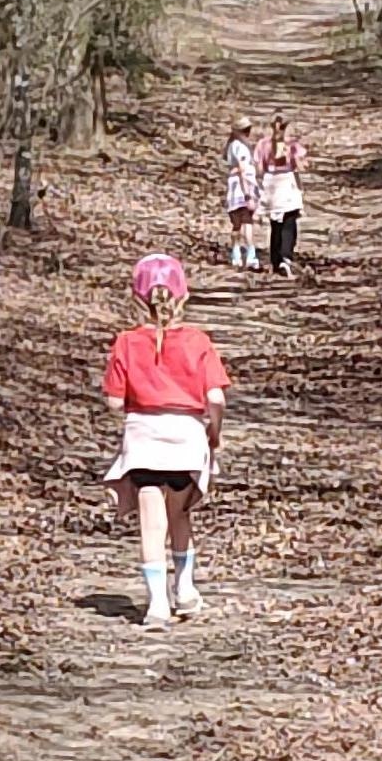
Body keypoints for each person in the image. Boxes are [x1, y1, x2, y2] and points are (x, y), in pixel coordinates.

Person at [102, 255, 228, 627]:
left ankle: (157, 603)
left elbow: (113, 401)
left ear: (137, 297)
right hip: (186, 437)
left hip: (144, 438)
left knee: (150, 523)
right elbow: (216, 398)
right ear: (183, 294)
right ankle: (185, 590)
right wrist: (213, 434)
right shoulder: (197, 341)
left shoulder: (126, 342)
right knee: (180, 516)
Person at [260, 114, 308, 275]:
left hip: (271, 183)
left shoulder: (263, 145)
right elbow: (301, 167)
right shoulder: (293, 146)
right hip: (288, 183)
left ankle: (275, 260)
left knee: (275, 224)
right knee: (289, 221)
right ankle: (286, 256)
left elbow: (260, 168)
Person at [224, 117, 262, 269]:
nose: (248, 133)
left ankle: (236, 254)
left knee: (237, 224)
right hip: (242, 186)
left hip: (234, 186)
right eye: (246, 130)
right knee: (246, 222)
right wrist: (248, 193)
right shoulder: (240, 147)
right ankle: (250, 255)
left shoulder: (233, 146)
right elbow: (242, 170)